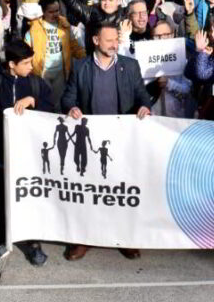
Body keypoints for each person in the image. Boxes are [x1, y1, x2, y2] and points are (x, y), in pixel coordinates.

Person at [61, 22, 152, 261]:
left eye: (116, 40)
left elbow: (142, 94)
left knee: (120, 192)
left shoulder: (130, 66)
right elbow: (68, 97)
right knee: (89, 191)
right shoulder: (80, 67)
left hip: (122, 141)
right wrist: (71, 108)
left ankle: (124, 238)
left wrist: (144, 105)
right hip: (90, 142)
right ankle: (84, 240)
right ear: (95, 41)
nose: (114, 44)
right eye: (109, 40)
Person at [0, 30, 53, 269]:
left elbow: (52, 109)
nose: (30, 66)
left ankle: (33, 244)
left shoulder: (36, 83)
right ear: (11, 65)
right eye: (25, 63)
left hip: (29, 159)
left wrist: (33, 102)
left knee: (30, 201)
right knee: (0, 204)